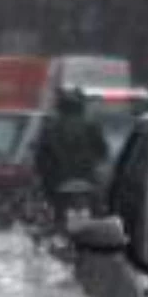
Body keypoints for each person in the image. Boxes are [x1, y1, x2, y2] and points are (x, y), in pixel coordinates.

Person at [34, 88, 109, 221]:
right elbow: (103, 152)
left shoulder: (50, 127)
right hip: (85, 177)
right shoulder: (91, 125)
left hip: (58, 180)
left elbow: (41, 156)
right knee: (99, 210)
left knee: (53, 214)